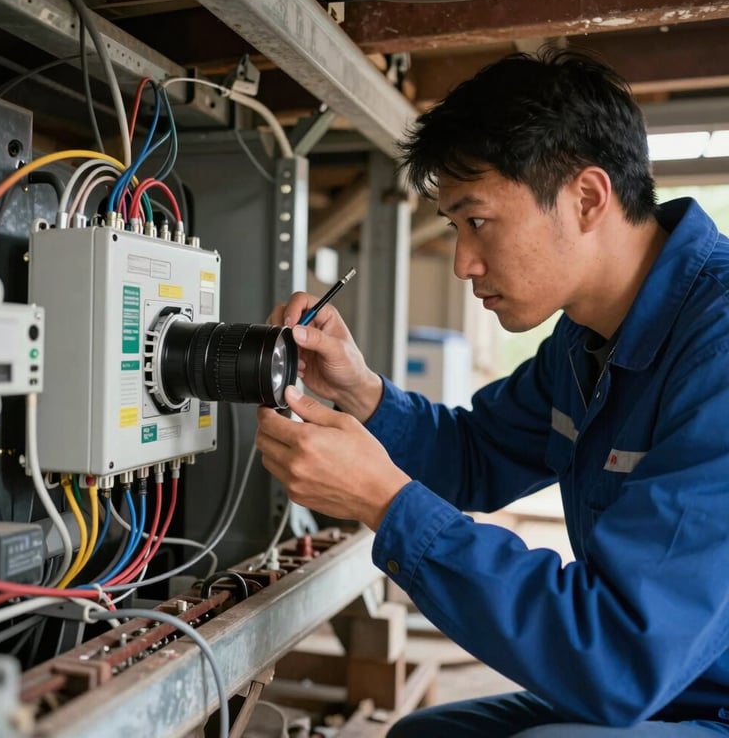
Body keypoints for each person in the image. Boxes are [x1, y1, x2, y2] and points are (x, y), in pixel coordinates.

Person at [254, 48, 729, 737]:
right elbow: (476, 454)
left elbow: (618, 654)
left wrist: (383, 502)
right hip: (666, 689)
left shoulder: (715, 351)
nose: (462, 262)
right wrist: (359, 391)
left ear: (588, 198)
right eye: (453, 227)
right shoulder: (586, 339)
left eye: (477, 221)